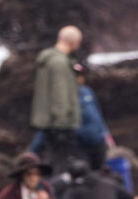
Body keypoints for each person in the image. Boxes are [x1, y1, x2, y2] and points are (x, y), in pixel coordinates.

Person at [29, 62, 112, 170]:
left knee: (100, 172)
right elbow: (44, 128)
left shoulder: (87, 92)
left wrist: (107, 137)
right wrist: (32, 151)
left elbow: (98, 115)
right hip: (79, 147)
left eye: (78, 76)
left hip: (98, 143)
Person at [31, 25, 83, 176]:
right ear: (73, 42)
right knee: (61, 163)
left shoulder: (50, 60)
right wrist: (61, 121)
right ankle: (57, 194)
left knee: (54, 159)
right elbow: (59, 95)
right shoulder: (59, 63)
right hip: (60, 123)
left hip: (49, 121)